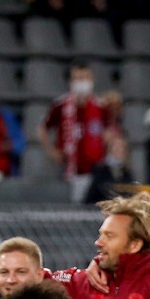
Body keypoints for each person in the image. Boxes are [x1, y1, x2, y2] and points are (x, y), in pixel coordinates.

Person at [40, 63, 108, 202]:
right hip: (67, 167)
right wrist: (52, 151)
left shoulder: (101, 106)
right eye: (78, 79)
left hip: (94, 169)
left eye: (85, 78)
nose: (82, 83)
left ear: (92, 80)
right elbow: (42, 129)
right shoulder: (61, 106)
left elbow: (109, 132)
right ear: (71, 82)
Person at [86, 134, 137, 205]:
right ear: (109, 150)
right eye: (116, 148)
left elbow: (132, 194)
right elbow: (90, 198)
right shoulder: (100, 170)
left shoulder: (126, 172)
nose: (119, 151)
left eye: (122, 148)